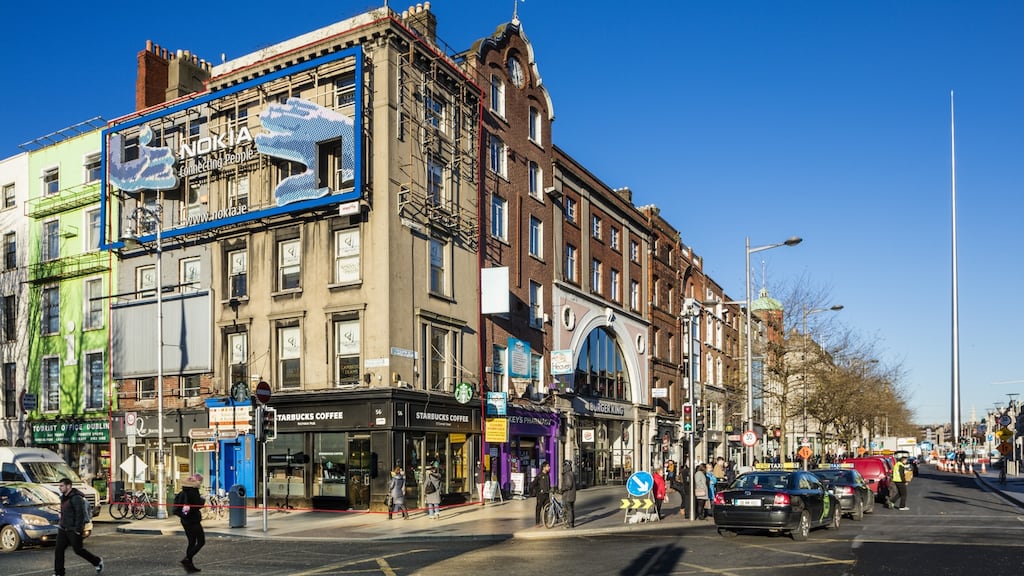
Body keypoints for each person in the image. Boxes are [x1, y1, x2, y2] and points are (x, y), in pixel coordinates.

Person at [54, 477, 103, 576]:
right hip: (63, 528)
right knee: (58, 550)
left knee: (78, 550)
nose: (60, 488)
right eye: (59, 486)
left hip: (73, 529)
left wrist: (78, 530)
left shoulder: (76, 498)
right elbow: (67, 510)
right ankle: (59, 573)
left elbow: (79, 514)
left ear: (69, 486)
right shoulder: (63, 497)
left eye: (62, 486)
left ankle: (97, 561)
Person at [176, 474, 206, 573]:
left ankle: (190, 565)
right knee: (201, 541)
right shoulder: (193, 491)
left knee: (192, 541)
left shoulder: (184, 491)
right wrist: (202, 500)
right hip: (193, 520)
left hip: (185, 520)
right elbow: (197, 504)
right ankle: (187, 559)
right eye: (200, 482)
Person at [532, 462, 551, 526]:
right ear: (544, 467)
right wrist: (538, 491)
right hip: (540, 495)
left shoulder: (547, 475)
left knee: (547, 508)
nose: (549, 467)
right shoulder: (539, 475)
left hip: (546, 494)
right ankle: (537, 522)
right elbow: (533, 484)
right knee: (538, 508)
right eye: (548, 466)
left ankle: (546, 521)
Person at [560, 460, 577, 527]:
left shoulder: (567, 474)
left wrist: (562, 489)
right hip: (572, 495)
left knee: (568, 509)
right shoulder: (572, 473)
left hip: (568, 495)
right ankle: (571, 523)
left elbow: (569, 485)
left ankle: (570, 523)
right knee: (571, 509)